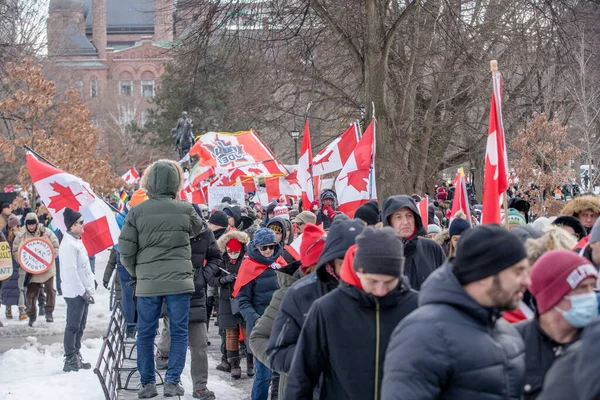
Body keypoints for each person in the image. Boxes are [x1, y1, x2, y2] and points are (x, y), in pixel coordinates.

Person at [381, 224, 530, 399]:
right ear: (484, 274)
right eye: (518, 271)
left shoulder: (506, 331)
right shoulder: (422, 335)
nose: (527, 281)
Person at [284, 227, 419, 399]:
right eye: (373, 281)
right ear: (358, 270)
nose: (379, 290)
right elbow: (301, 376)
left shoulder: (417, 308)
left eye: (388, 282)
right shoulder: (327, 309)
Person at [118, 159, 204, 399]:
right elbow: (199, 229)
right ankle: (172, 381)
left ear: (149, 181)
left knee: (145, 332)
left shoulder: (136, 211)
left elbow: (125, 251)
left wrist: (138, 273)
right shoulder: (185, 209)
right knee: (178, 332)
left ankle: (146, 383)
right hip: (179, 282)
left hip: (148, 284)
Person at [267, 218, 365, 377]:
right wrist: (319, 358)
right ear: (331, 261)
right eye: (343, 261)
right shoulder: (299, 293)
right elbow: (274, 350)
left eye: (357, 259)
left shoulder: (380, 289)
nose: (351, 268)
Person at [250, 223, 326, 397]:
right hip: (298, 388)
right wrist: (294, 362)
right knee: (263, 377)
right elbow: (257, 338)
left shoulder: (342, 291)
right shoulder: (289, 293)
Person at [155, 204, 221, 400]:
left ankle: (200, 386)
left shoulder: (205, 233)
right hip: (174, 294)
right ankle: (173, 381)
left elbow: (216, 257)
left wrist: (202, 277)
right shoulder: (168, 233)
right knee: (174, 342)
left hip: (196, 295)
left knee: (199, 344)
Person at [516, 250, 597, 399]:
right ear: (552, 296)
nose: (591, 296)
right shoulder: (513, 343)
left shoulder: (595, 344)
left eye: (592, 287)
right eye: (582, 288)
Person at [234, 228, 282, 400]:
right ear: (256, 247)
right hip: (261, 329)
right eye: (264, 247)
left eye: (271, 246)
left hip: (282, 326)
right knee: (263, 374)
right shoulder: (248, 266)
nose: (269, 250)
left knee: (281, 374)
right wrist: (256, 319)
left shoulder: (282, 263)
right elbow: (242, 302)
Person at [206, 230, 251, 377]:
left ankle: (251, 363)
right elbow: (211, 279)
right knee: (231, 333)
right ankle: (234, 364)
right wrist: (223, 280)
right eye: (231, 252)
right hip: (226, 300)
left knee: (247, 332)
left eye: (236, 252)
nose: (233, 255)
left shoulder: (247, 259)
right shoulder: (220, 260)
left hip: (244, 298)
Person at [381, 195, 445, 290]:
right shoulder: (379, 254)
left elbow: (448, 285)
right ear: (389, 222)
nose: (405, 222)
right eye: (398, 217)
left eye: (409, 215)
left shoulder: (431, 248)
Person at [59, 208, 95, 372]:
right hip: (75, 292)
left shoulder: (76, 240)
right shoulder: (68, 244)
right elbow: (71, 271)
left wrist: (91, 285)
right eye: (80, 222)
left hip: (83, 292)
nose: (83, 225)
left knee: (80, 326)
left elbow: (84, 267)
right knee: (73, 326)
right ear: (72, 225)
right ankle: (70, 359)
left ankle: (76, 353)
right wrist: (82, 291)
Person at [12, 211, 59, 326]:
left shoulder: (46, 232)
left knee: (50, 290)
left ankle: (49, 312)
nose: (31, 227)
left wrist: (50, 257)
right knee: (31, 294)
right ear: (26, 224)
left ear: (36, 223)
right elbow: (15, 250)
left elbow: (55, 245)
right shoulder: (21, 235)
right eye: (29, 225)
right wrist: (23, 261)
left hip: (47, 268)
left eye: (33, 224)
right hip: (31, 269)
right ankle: (32, 314)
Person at [2, 215, 25, 321]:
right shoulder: (3, 236)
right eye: (18, 225)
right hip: (7, 265)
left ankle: (21, 310)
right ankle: (8, 309)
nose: (20, 227)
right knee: (8, 288)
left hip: (17, 265)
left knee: (19, 288)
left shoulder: (20, 236)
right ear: (12, 227)